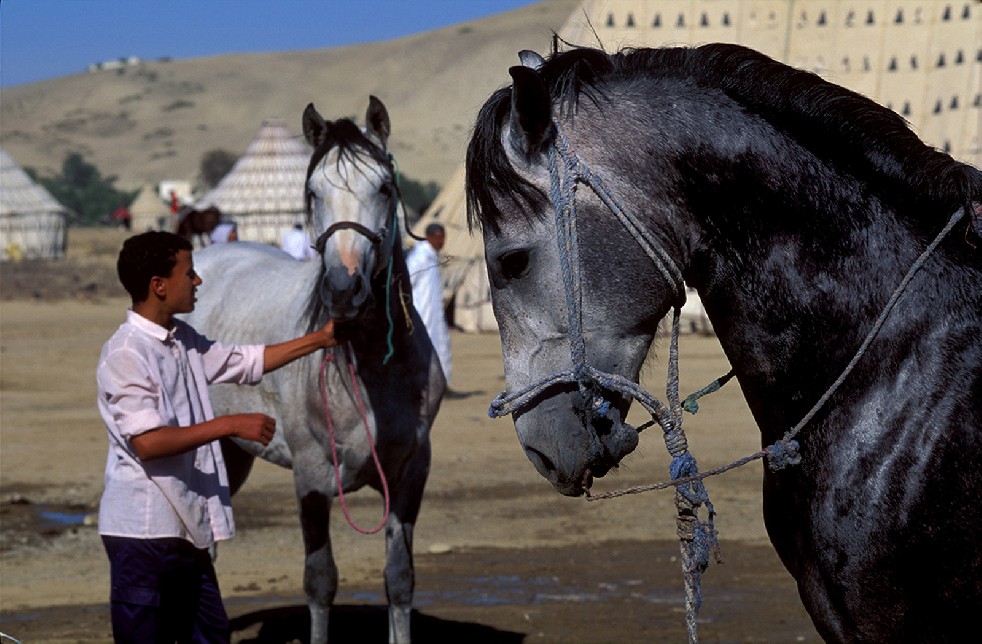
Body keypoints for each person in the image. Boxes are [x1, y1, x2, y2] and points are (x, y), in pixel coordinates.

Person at [96, 231, 336, 642]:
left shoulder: (181, 341)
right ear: (159, 286)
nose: (198, 282)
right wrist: (230, 424)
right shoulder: (126, 354)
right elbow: (148, 443)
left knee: (210, 635)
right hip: (142, 533)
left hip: (186, 526)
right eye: (189, 274)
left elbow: (245, 361)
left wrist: (321, 339)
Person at [406, 223, 451, 386]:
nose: (442, 242)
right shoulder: (420, 257)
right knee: (423, 348)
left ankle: (440, 383)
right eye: (439, 238)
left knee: (440, 346)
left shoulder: (432, 256)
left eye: (443, 238)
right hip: (422, 313)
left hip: (434, 313)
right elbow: (406, 283)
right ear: (429, 237)